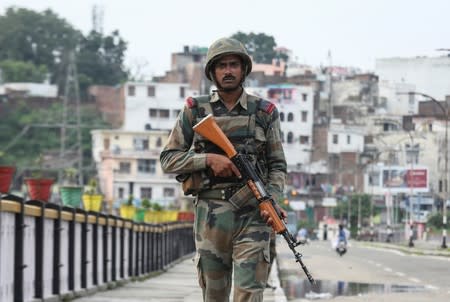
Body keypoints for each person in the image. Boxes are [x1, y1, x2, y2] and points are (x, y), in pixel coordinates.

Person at [160, 37, 287, 302]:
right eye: (222, 66)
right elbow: (169, 159)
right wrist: (207, 160)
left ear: (243, 70)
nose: (228, 71)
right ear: (212, 72)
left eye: (233, 65)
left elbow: (277, 165)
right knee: (214, 296)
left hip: (253, 214)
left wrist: (272, 200)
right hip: (211, 218)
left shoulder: (264, 112)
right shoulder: (195, 110)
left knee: (249, 295)